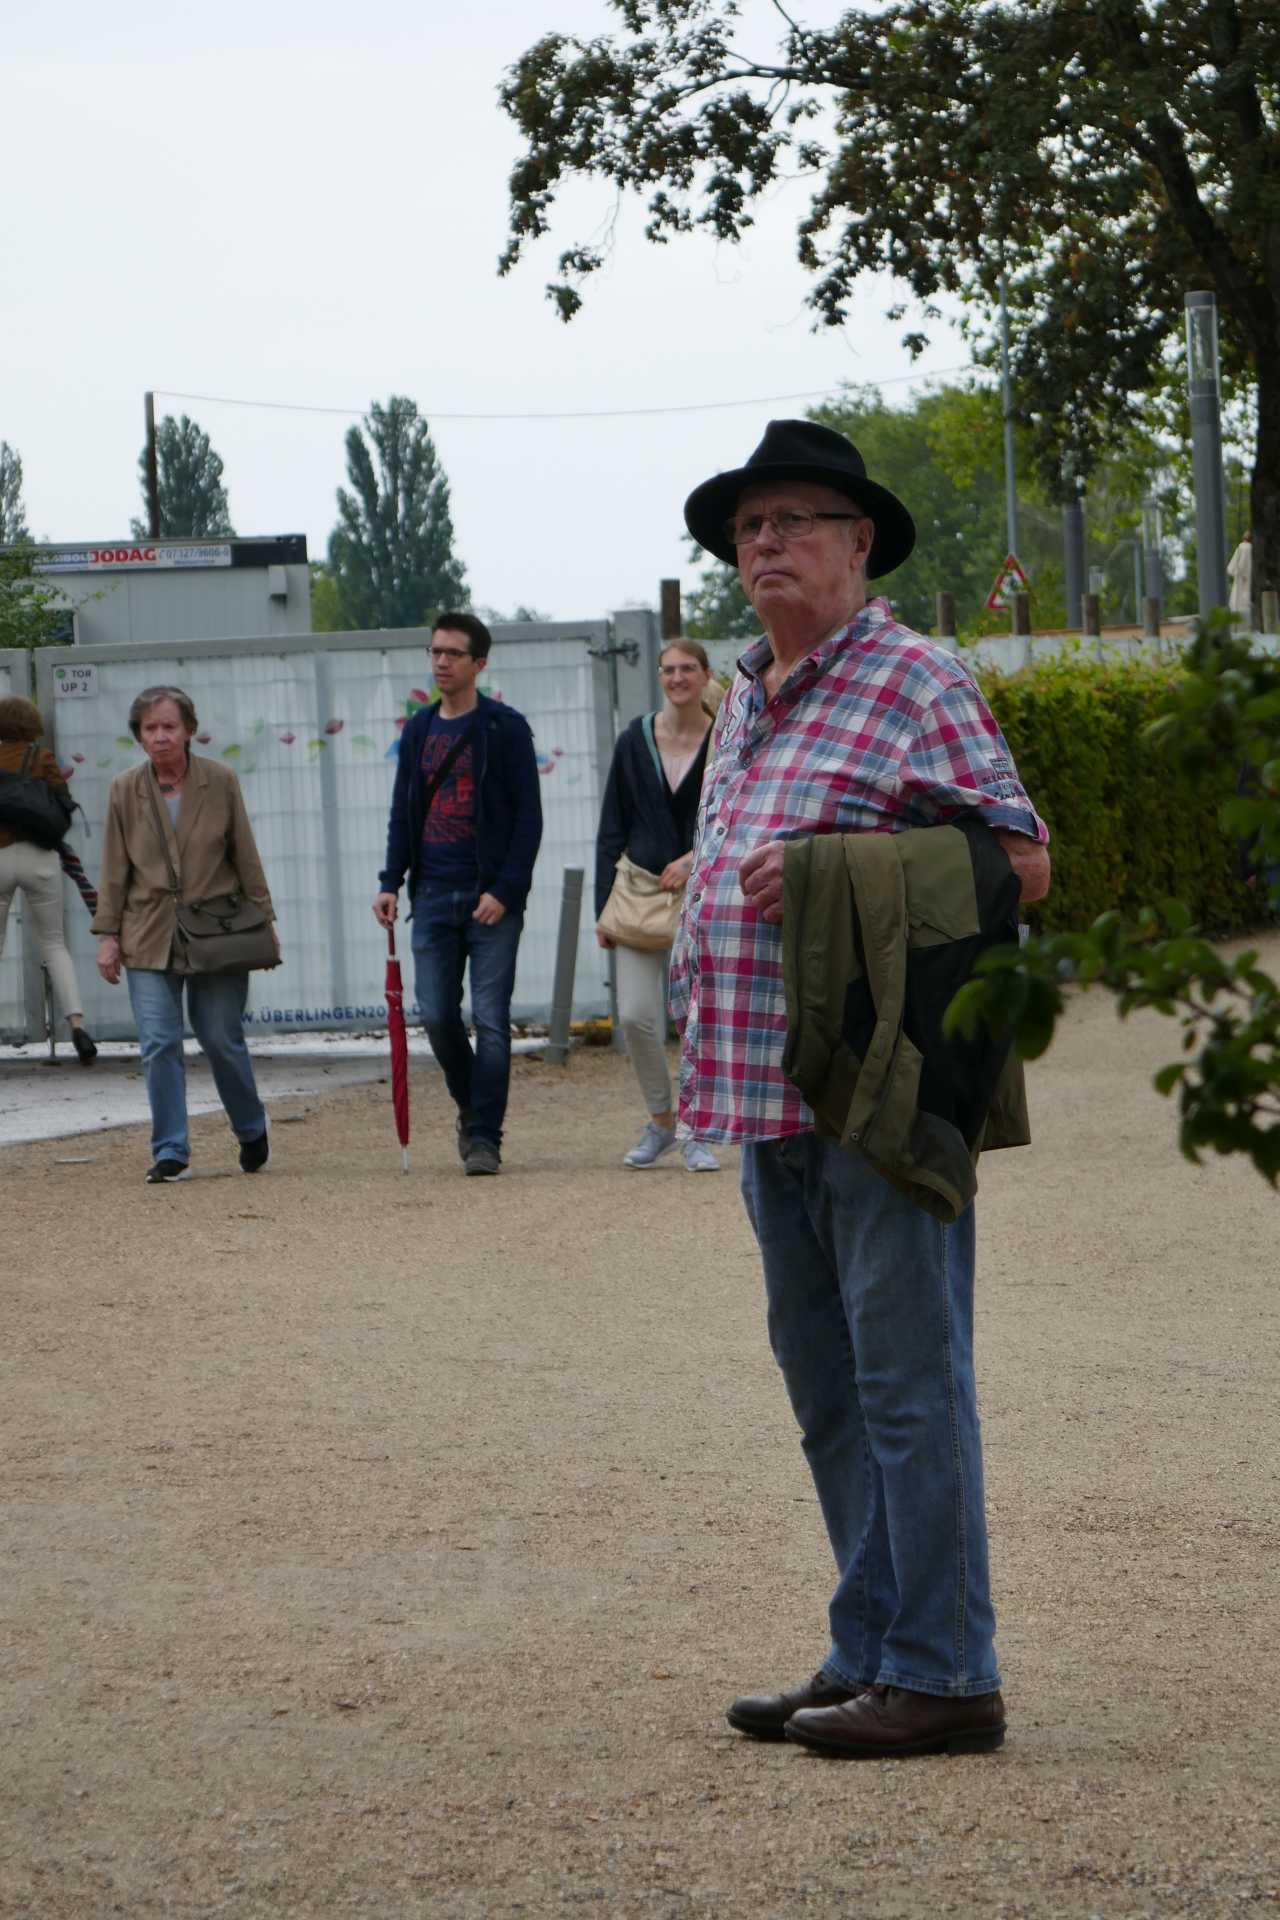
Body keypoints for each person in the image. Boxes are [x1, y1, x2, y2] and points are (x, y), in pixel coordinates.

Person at [675, 419, 1051, 1759]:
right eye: (747, 527)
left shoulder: (914, 679)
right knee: (831, 1396)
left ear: (858, 543)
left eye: (792, 520)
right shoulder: (746, 694)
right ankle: (873, 1650)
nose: (763, 543)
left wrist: (834, 869)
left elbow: (1021, 865)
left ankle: (947, 1673)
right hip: (765, 1101)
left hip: (878, 1099)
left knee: (907, 1386)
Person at [373, 612, 542, 1177]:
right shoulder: (418, 730)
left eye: (453, 653)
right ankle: (472, 1107)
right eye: (435, 651)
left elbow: (528, 820)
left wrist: (505, 890)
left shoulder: (505, 728)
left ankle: (485, 1138)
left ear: (479, 664)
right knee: (438, 1015)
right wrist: (390, 881)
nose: (441, 662)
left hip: (489, 898)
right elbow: (403, 812)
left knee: (491, 1019)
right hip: (432, 894)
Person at [91, 685, 276, 1184]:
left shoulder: (221, 780)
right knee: (158, 1042)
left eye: (169, 726)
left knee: (220, 1038)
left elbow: (245, 854)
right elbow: (113, 867)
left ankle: (250, 1125)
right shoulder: (124, 788)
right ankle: (171, 1149)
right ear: (139, 736)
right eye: (150, 728)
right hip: (147, 930)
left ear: (189, 730)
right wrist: (107, 934)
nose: (160, 737)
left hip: (217, 930)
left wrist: (263, 920)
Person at [595, 639, 720, 1172]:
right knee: (635, 1015)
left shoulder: (726, 740)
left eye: (687, 668)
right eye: (668, 669)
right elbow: (612, 825)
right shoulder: (634, 739)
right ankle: (662, 1120)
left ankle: (696, 1129)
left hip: (704, 894)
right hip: (639, 895)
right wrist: (602, 909)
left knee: (700, 1019)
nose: (677, 677)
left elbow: (736, 814)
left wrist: (694, 858)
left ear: (705, 675)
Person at [0, 695, 97, 1063]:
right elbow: (62, 804)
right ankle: (77, 1026)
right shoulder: (41, 758)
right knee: (54, 944)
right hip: (40, 859)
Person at [1227, 531, 1252, 621]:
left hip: (1240, 588)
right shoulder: (1257, 549)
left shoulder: (1241, 547)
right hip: (1252, 589)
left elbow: (1230, 569)